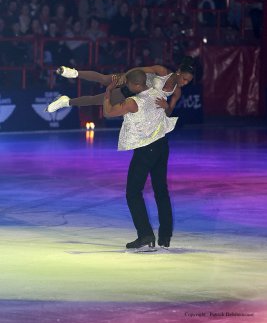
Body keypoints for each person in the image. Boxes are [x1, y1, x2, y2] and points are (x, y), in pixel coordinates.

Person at [103, 69, 178, 251]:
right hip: (162, 145)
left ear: (136, 85)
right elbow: (170, 84)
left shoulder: (133, 102)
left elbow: (108, 112)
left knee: (133, 192)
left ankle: (145, 234)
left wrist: (108, 91)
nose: (127, 87)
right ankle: (165, 235)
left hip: (146, 149)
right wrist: (168, 105)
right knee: (161, 190)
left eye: (129, 84)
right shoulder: (156, 91)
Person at [45, 56, 195, 113]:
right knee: (105, 79)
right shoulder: (162, 71)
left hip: (131, 95)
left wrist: (166, 107)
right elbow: (139, 69)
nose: (185, 83)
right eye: (185, 79)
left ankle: (65, 102)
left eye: (188, 82)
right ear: (179, 72)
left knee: (96, 100)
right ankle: (74, 73)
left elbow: (169, 113)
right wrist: (126, 76)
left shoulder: (177, 93)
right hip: (131, 78)